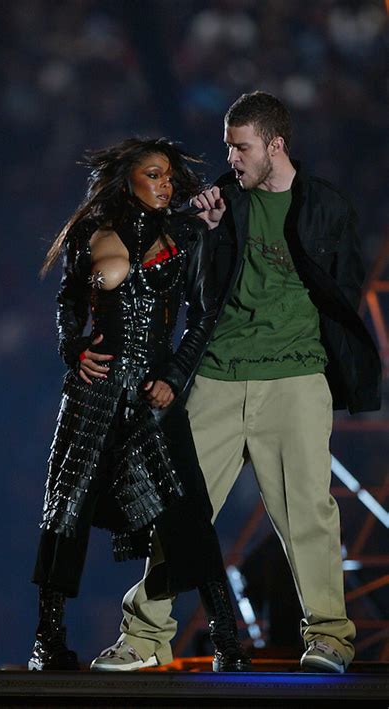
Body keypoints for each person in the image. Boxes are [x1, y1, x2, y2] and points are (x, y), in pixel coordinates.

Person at [91, 93, 381, 674]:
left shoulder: (326, 205)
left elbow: (343, 294)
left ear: (276, 145)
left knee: (308, 512)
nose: (232, 155)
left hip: (294, 378)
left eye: (242, 146)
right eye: (229, 144)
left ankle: (329, 636)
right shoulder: (219, 201)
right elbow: (187, 287)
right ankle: (146, 637)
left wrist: (329, 367)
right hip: (218, 376)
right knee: (179, 511)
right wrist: (204, 233)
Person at [29, 137, 251, 672]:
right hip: (94, 392)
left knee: (187, 507)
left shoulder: (183, 232)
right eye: (154, 175)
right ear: (127, 178)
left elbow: (205, 314)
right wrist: (72, 347)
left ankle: (226, 638)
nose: (165, 184)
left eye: (169, 176)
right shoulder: (89, 232)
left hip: (153, 390)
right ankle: (47, 640)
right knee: (66, 507)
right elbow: (68, 302)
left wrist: (175, 375)